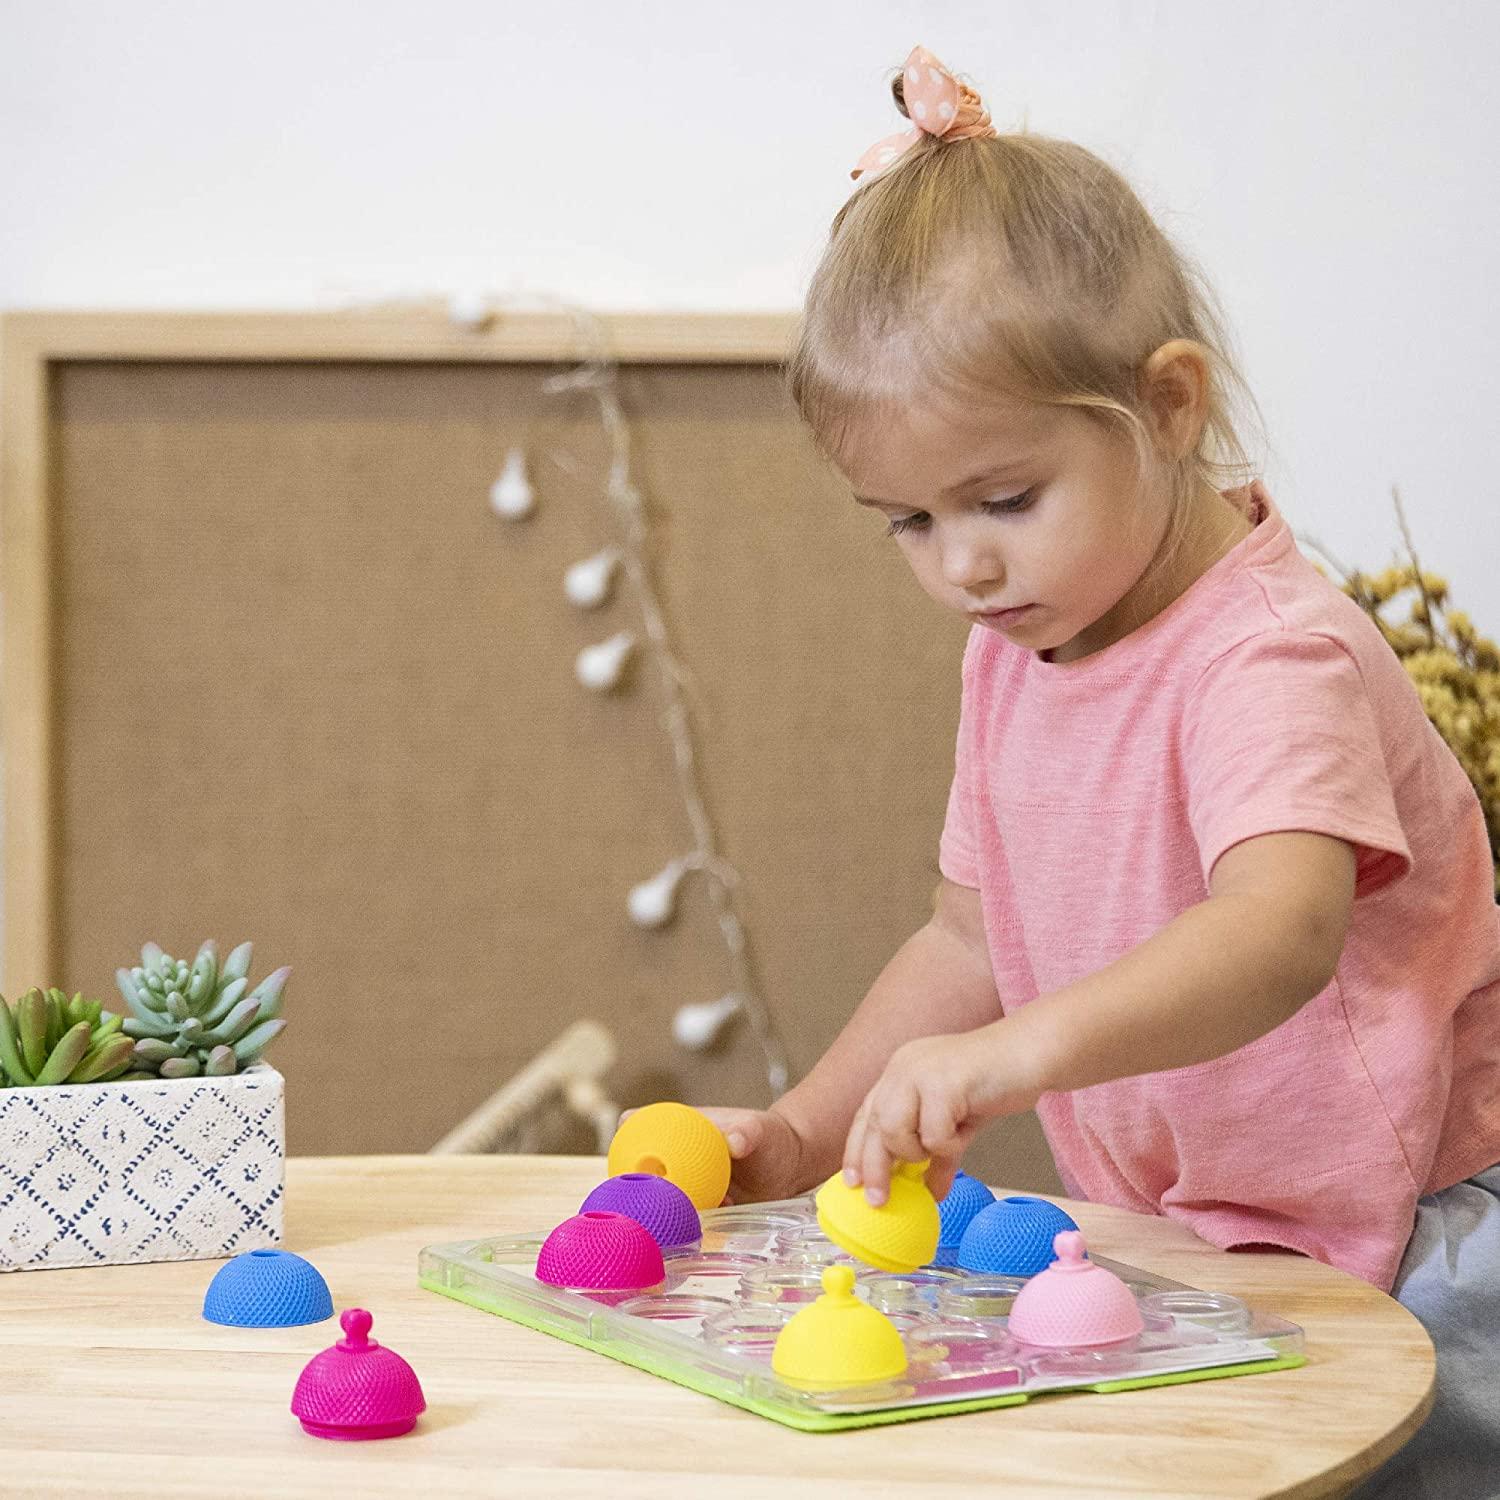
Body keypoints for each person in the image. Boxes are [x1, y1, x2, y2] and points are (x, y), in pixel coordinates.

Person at [698, 46, 1500, 1496]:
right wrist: (808, 1128)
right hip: (1206, 1224)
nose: (964, 566)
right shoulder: (1021, 647)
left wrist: (1020, 1055)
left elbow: (1279, 932)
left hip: (1419, 1237)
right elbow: (970, 936)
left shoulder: (1265, 654)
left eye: (1005, 500)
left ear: (1171, 405)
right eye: (909, 523)